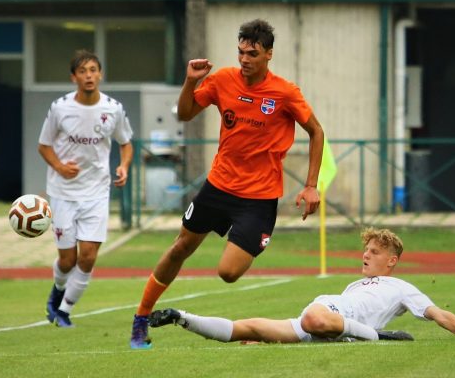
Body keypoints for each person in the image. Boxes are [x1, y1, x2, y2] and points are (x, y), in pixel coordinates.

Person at [130, 19, 325, 349]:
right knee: (180, 247)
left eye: (252, 52)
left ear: (269, 54)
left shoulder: (284, 92)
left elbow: (316, 132)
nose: (244, 58)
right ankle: (140, 319)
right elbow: (185, 112)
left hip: (259, 199)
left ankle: (255, 313)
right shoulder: (222, 80)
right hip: (218, 187)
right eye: (240, 52)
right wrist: (191, 82)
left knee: (229, 272)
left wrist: (310, 185)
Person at [148, 228, 455, 343]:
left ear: (391, 261)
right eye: (365, 249)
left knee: (314, 320)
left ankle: (371, 338)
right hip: (326, 313)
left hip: (326, 317)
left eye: (374, 252)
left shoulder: (403, 287)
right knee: (249, 328)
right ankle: (181, 315)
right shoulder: (354, 285)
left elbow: (440, 315)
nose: (365, 254)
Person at [38, 49, 133, 327]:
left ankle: (65, 310)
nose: (89, 75)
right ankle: (56, 293)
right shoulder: (60, 108)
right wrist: (59, 166)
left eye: (93, 70)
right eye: (83, 71)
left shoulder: (113, 108)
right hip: (63, 192)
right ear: (73, 77)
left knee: (89, 256)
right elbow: (43, 145)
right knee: (68, 260)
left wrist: (124, 166)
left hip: (96, 191)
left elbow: (126, 142)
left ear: (100, 74)